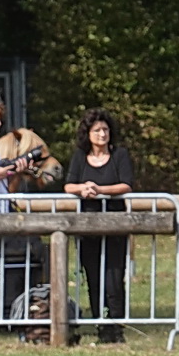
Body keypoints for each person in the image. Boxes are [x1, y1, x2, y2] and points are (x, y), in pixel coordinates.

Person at [63, 109, 134, 342]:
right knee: (93, 278)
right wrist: (83, 189)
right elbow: (68, 185)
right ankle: (99, 324)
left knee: (113, 279)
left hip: (114, 225)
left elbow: (126, 185)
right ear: (88, 133)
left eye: (105, 130)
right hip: (87, 226)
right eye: (97, 130)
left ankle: (116, 326)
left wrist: (101, 190)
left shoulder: (120, 155)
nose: (102, 134)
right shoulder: (79, 156)